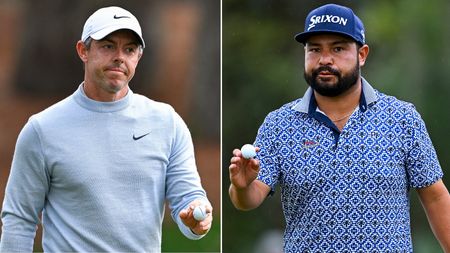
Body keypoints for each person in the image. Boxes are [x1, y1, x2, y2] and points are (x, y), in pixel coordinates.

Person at [228, 3, 450, 252]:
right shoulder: (279, 124)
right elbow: (248, 199)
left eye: (338, 48)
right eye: (314, 49)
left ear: (362, 54)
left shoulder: (402, 119)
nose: (324, 59)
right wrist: (241, 186)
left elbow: (435, 196)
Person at [0, 6, 212, 252]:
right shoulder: (42, 129)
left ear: (138, 57)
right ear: (83, 51)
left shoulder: (166, 122)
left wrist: (196, 220)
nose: (119, 57)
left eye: (129, 49)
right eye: (108, 46)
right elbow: (19, 220)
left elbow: (187, 200)